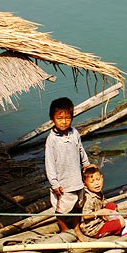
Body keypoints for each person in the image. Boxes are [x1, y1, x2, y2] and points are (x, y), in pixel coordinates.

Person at [45, 97, 90, 232]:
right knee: (62, 208)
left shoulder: (74, 133)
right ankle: (63, 227)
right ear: (52, 119)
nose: (64, 122)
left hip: (76, 178)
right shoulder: (51, 140)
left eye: (67, 118)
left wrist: (86, 164)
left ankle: (76, 227)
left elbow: (80, 149)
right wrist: (54, 183)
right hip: (63, 182)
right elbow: (50, 163)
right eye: (60, 118)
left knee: (78, 204)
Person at [78, 164, 127, 238]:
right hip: (94, 228)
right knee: (121, 223)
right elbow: (85, 216)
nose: (96, 183)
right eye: (92, 182)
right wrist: (100, 212)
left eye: (98, 179)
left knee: (111, 205)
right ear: (85, 185)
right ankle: (110, 230)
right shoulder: (88, 198)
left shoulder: (98, 192)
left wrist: (103, 213)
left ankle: (110, 222)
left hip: (100, 218)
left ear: (102, 178)